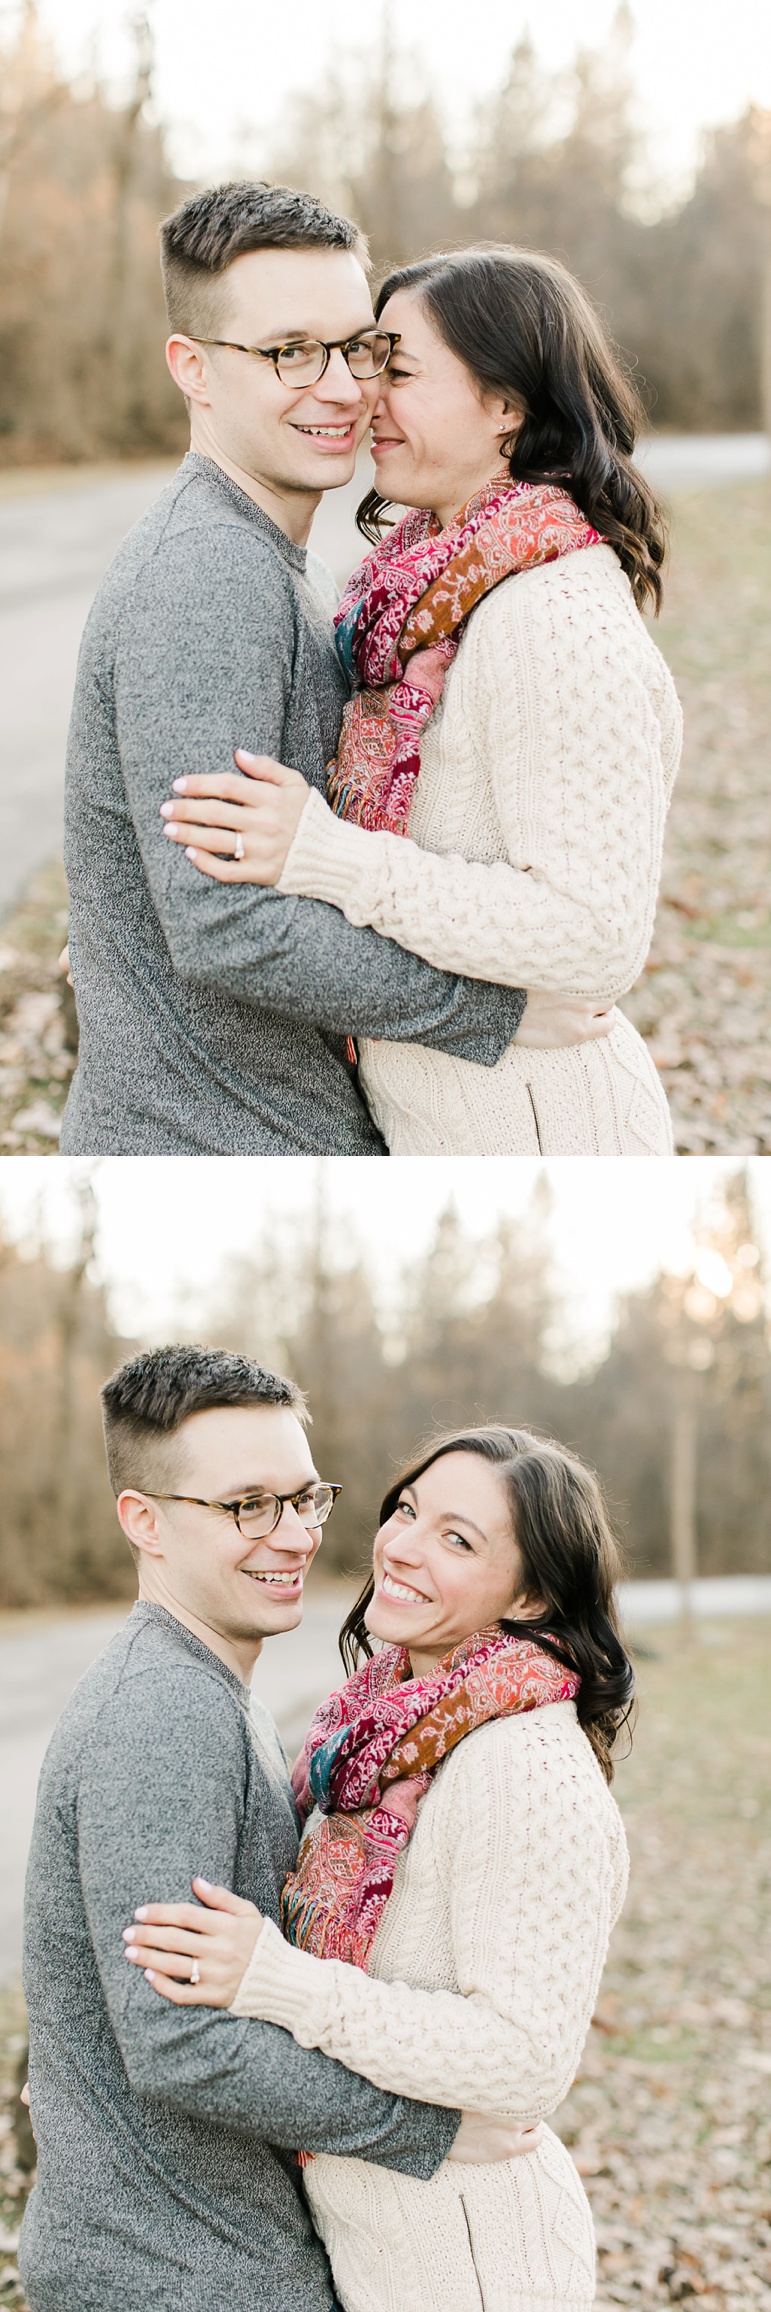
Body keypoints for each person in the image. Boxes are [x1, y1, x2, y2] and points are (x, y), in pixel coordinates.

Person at [59, 183, 609, 1156]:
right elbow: (226, 929)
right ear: (194, 368)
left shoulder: (281, 564)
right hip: (211, 1147)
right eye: (287, 352)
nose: (345, 388)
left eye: (358, 348)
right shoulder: (207, 573)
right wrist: (491, 1010)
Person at [19, 1349, 527, 2312]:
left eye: (304, 1498)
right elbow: (179, 2045)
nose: (291, 1534)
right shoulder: (161, 1711)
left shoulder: (215, 1690)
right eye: (247, 1505)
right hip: (174, 2277)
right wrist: (425, 2126)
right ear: (145, 1521)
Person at [162, 244, 684, 1156]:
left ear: (505, 405)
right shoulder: (417, 597)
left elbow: (593, 939)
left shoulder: (548, 615)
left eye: (394, 370)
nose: (363, 398)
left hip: (543, 1134)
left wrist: (334, 859)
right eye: (368, 364)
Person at [123, 1421, 633, 2312]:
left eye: (457, 1539)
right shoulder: (378, 1736)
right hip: (382, 2247)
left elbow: (522, 2063)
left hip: (475, 2265)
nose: (399, 1547)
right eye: (406, 1511)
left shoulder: (525, 1766)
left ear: (526, 1596)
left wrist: (280, 1982)